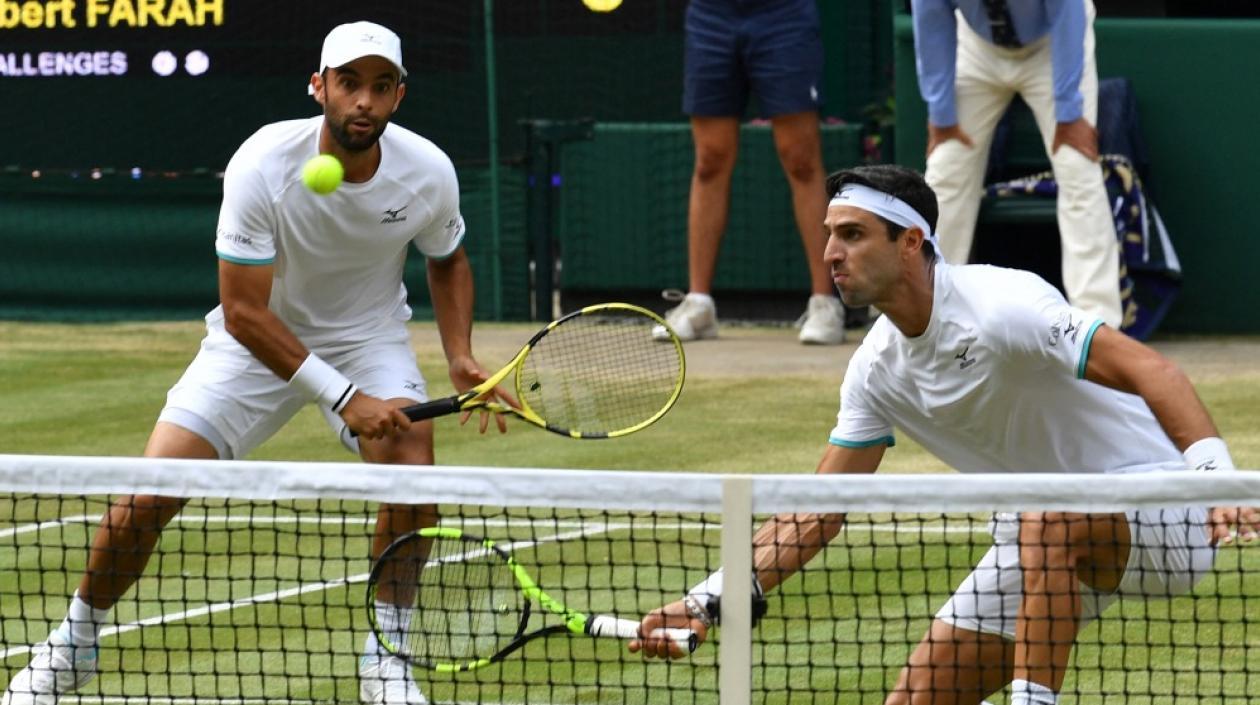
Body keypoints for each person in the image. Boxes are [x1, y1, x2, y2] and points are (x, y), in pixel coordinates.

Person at [3, 21, 509, 705]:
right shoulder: (262, 163)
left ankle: (386, 654)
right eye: (349, 82)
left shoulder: (427, 172)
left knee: (414, 484)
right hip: (253, 343)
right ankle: (72, 641)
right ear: (318, 86)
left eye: (380, 86)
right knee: (148, 494)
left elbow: (447, 260)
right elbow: (243, 313)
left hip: (369, 338)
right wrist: (342, 397)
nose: (364, 100)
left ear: (399, 96)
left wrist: (459, 355)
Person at [630, 164, 1256, 705]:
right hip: (1043, 535)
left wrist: (1216, 478)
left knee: (1047, 516)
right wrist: (706, 599)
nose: (830, 254)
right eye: (829, 237)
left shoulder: (1002, 305)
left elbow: (1154, 369)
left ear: (910, 242)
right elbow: (819, 509)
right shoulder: (876, 370)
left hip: (1165, 508)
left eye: (852, 235)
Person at [912, 0, 1124, 328]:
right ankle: (925, 317)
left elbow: (1067, 14)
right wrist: (940, 112)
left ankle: (1098, 328)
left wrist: (1069, 110)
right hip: (976, 48)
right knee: (945, 170)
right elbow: (931, 20)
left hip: (1054, 42)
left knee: (1077, 167)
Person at [653, 0, 847, 345]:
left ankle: (825, 303)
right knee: (710, 158)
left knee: (800, 158)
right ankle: (699, 304)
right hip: (710, 17)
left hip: (784, 15)